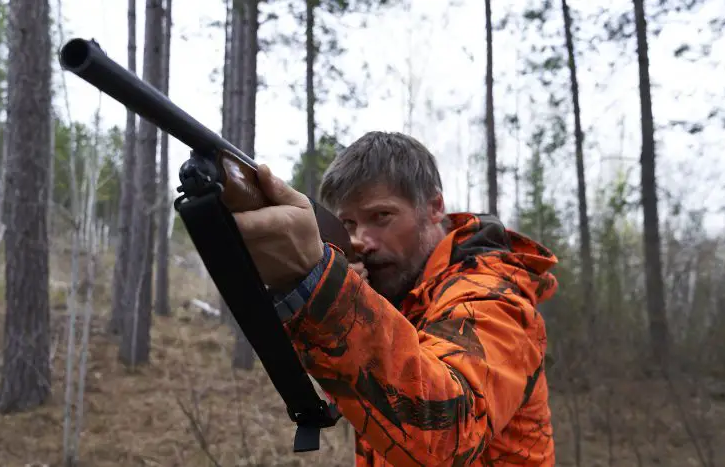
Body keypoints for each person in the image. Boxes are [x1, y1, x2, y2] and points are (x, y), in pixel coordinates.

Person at [233, 131, 558, 466]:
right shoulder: (397, 293)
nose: (362, 241)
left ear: (434, 207)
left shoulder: (492, 295)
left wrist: (331, 297)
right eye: (349, 223)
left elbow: (448, 433)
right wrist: (351, 305)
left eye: (381, 217)